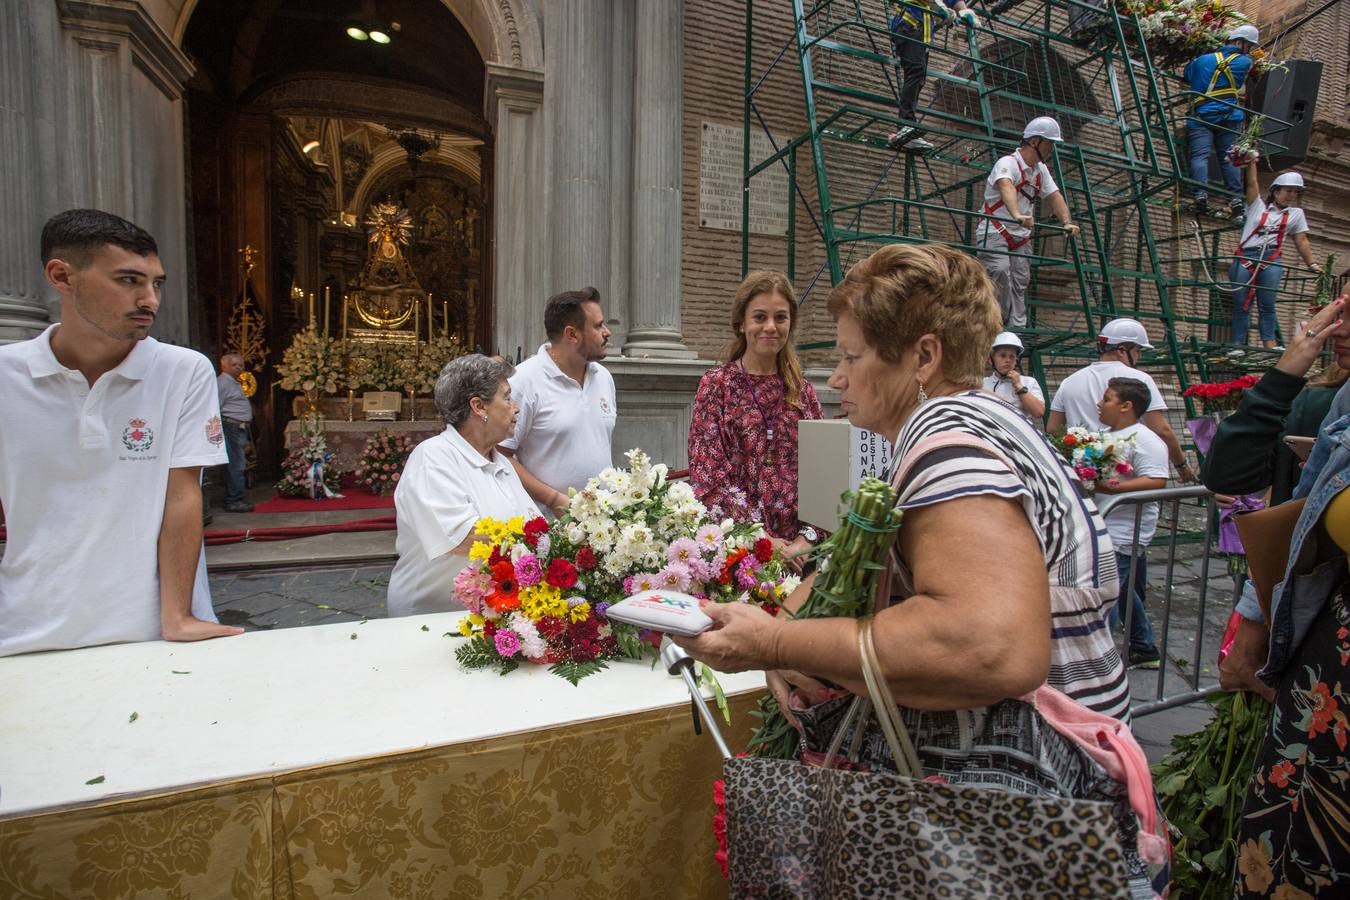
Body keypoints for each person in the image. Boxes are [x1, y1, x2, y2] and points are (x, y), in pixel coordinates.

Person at [0, 209, 242, 656]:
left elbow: (182, 494)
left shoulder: (181, 371)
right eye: (129, 281)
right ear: (62, 276)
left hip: (152, 624)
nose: (150, 299)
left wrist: (178, 617)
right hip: (27, 622)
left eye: (157, 283)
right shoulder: (6, 376)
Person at [1200, 295, 1350, 897]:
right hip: (1317, 670)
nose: (1342, 325)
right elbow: (1227, 474)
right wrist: (1286, 371)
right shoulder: (1328, 403)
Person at [388, 354, 537, 617]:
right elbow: (465, 540)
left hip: (492, 615)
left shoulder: (500, 461)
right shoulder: (432, 458)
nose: (515, 407)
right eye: (506, 397)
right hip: (431, 614)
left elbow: (535, 525)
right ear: (479, 407)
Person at [688, 271, 824, 558]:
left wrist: (807, 539)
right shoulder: (717, 386)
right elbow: (707, 476)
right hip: (739, 549)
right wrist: (758, 538)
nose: (771, 327)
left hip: (800, 552)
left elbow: (823, 474)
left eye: (781, 317)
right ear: (741, 323)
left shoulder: (804, 393)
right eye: (760, 317)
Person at [499, 287, 616, 516]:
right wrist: (554, 499)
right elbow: (500, 454)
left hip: (603, 525)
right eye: (598, 325)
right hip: (549, 528)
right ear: (572, 334)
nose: (607, 332)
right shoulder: (524, 381)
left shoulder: (604, 378)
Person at [1047, 317, 1194, 481]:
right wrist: (1181, 465)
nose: (1139, 356)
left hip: (1083, 475)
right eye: (1138, 350)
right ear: (1122, 350)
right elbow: (1161, 430)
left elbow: (1053, 430)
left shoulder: (1069, 381)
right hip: (1126, 475)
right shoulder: (1140, 379)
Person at [974, 116, 1080, 329]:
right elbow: (1006, 186)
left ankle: (1017, 329)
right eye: (1049, 143)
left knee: (1020, 281)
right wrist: (1017, 214)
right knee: (1000, 271)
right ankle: (997, 324)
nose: (1051, 148)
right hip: (995, 232)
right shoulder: (1007, 163)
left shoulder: (1040, 171)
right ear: (1034, 142)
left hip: (1021, 238)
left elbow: (1055, 196)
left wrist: (1067, 222)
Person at [1095, 377, 1170, 669]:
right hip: (1104, 523)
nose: (1100, 404)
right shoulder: (1104, 433)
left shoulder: (1146, 439)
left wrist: (1112, 489)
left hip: (1124, 531)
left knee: (1107, 593)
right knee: (1123, 588)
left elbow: (1156, 480)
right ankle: (1143, 646)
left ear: (1126, 406)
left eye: (1108, 398)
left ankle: (1101, 660)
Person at [1229, 164, 1321, 348]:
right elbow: (1252, 183)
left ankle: (1269, 343)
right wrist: (1252, 162)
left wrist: (1312, 264)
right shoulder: (1257, 206)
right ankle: (1237, 345)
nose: (1291, 195)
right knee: (1241, 303)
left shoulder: (1296, 214)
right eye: (1288, 190)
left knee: (1267, 304)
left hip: (1271, 259)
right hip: (1246, 257)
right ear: (1276, 191)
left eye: (1295, 192)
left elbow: (1301, 240)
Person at [1184, 25, 1259, 220]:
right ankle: (1235, 200)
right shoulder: (1245, 62)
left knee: (1199, 155)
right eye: (1248, 45)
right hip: (1229, 117)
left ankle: (1200, 194)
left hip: (1201, 116)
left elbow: (1188, 75)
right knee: (1229, 159)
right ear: (1238, 42)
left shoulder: (1201, 60)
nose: (1249, 50)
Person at [885, 0, 976, 152]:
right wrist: (942, 9)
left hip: (918, 33)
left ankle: (908, 129)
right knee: (915, 73)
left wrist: (965, 11)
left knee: (918, 78)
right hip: (909, 27)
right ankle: (905, 126)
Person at [216, 352, 254, 512]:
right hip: (231, 427)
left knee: (238, 462)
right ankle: (234, 500)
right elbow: (216, 405)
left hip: (238, 427)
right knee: (236, 463)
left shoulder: (233, 382)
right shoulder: (223, 383)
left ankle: (235, 497)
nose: (239, 368)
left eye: (241, 365)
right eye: (235, 365)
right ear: (224, 366)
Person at [981, 330, 1045, 421]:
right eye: (1003, 356)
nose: (1008, 360)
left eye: (1012, 356)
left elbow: (1039, 412)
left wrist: (1019, 386)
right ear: (991, 360)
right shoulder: (982, 384)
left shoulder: (1028, 382)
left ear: (1016, 361)